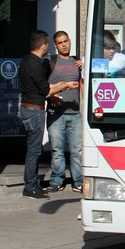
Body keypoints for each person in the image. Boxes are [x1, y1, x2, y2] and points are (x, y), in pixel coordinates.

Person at [45, 31, 83, 194]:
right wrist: (51, 96)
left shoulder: (77, 62)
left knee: (77, 150)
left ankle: (79, 181)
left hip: (75, 114)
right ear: (55, 45)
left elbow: (82, 85)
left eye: (66, 41)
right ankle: (56, 180)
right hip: (56, 113)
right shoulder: (50, 62)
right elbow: (42, 86)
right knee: (57, 149)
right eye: (60, 43)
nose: (64, 45)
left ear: (70, 41)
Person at [18, 30, 51, 199]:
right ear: (43, 46)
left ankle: (34, 184)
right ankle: (30, 186)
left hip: (27, 108)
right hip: (34, 110)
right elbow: (45, 90)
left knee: (33, 149)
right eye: (47, 45)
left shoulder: (26, 60)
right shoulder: (36, 64)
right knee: (34, 150)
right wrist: (64, 85)